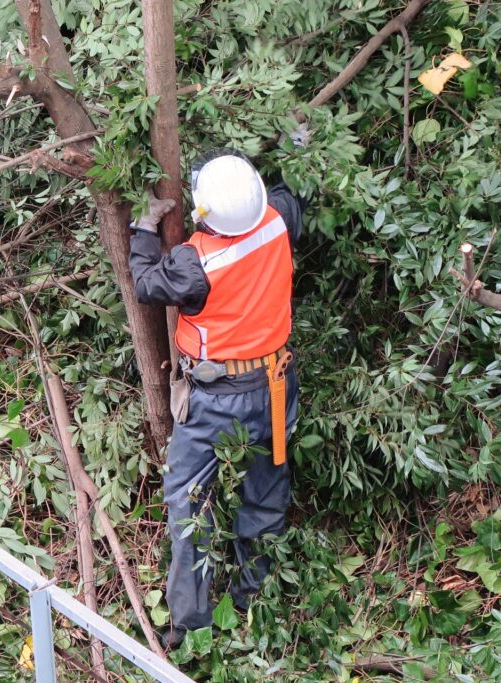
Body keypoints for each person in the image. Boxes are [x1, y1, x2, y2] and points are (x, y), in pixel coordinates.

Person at [128, 149, 306, 647]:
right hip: (274, 386)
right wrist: (296, 138)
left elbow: (145, 283)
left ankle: (189, 627)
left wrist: (144, 227)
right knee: (265, 493)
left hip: (215, 402)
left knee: (188, 503)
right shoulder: (279, 220)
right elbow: (292, 192)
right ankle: (253, 600)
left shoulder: (194, 262)